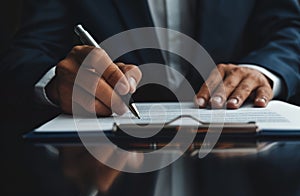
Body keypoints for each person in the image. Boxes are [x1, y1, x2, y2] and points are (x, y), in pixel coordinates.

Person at [0, 0, 299, 118]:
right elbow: (27, 53)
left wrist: (262, 71)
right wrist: (56, 82)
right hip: (103, 156)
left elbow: (290, 28)